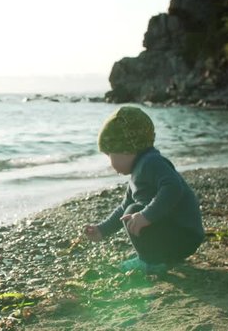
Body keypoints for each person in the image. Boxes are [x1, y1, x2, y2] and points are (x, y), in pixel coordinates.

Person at [84, 106, 204, 273]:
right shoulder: (137, 173)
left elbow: (173, 187)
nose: (109, 163)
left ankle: (150, 261)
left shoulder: (152, 163)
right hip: (176, 235)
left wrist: (146, 216)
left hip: (185, 233)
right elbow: (122, 208)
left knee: (134, 211)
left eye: (109, 155)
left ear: (127, 149)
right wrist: (102, 230)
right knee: (130, 210)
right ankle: (161, 258)